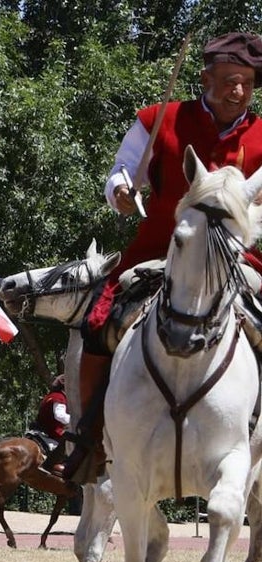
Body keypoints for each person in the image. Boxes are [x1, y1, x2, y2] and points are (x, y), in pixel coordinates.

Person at [63, 32, 262, 481]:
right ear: (205, 78)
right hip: (157, 252)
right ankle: (89, 440)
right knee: (99, 324)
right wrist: (120, 190)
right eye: (230, 80)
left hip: (235, 260)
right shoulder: (160, 119)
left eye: (248, 84)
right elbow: (120, 172)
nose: (239, 92)